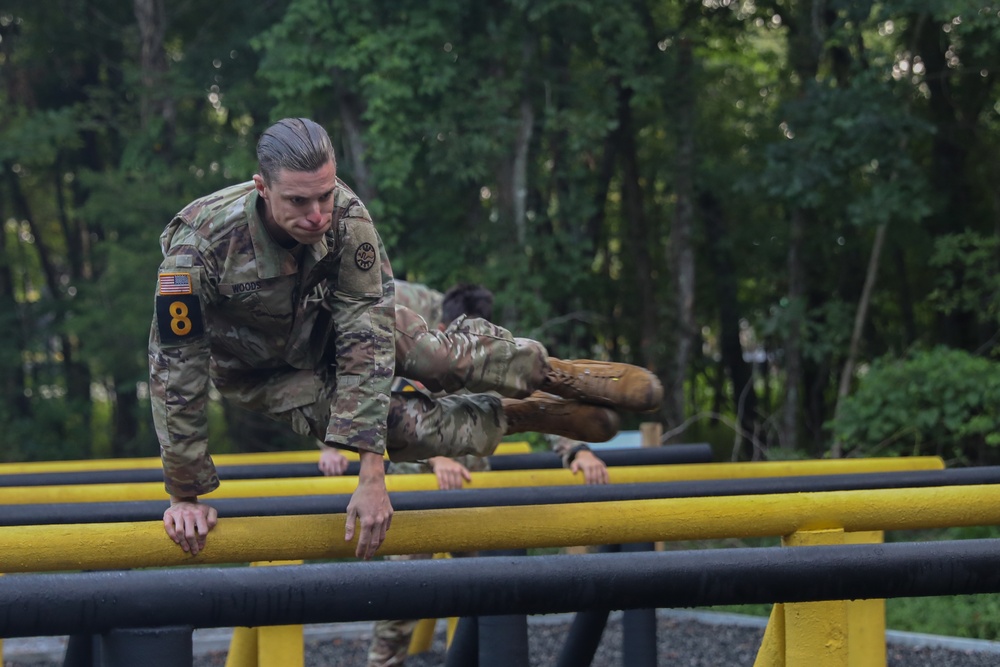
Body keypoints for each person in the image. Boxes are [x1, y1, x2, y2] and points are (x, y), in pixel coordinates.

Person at [150, 118, 657, 561]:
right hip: (262, 371)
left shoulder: (348, 217)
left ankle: (551, 374)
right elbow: (178, 373)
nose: (316, 215)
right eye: (298, 201)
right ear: (262, 187)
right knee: (402, 427)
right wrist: (185, 493)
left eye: (325, 194)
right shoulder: (198, 251)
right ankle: (520, 415)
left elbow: (367, 340)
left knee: (434, 356)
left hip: (331, 326)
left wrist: (373, 478)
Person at [365, 281, 618, 667]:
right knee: (403, 594)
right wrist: (437, 460)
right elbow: (385, 412)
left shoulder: (485, 359)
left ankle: (477, 656)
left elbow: (534, 403)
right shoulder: (418, 355)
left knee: (486, 591)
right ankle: (383, 662)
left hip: (472, 497)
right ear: (444, 324)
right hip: (420, 498)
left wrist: (577, 451)